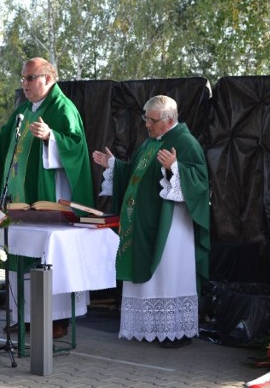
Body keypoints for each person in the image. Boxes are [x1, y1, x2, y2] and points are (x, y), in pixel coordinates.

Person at [0, 57, 94, 338]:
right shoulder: (23, 110)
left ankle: (56, 319)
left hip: (50, 198)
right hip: (19, 200)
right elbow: (4, 142)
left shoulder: (63, 109)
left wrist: (51, 138)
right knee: (20, 251)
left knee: (46, 255)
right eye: (22, 79)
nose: (24, 84)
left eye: (29, 78)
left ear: (48, 78)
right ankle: (25, 316)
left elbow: (77, 149)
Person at [92, 95, 210, 348]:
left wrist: (175, 168)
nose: (147, 124)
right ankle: (151, 327)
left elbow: (200, 183)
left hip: (172, 227)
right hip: (144, 223)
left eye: (152, 120)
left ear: (168, 121)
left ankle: (176, 331)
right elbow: (137, 173)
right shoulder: (151, 143)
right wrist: (114, 165)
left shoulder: (185, 143)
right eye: (145, 118)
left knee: (168, 272)